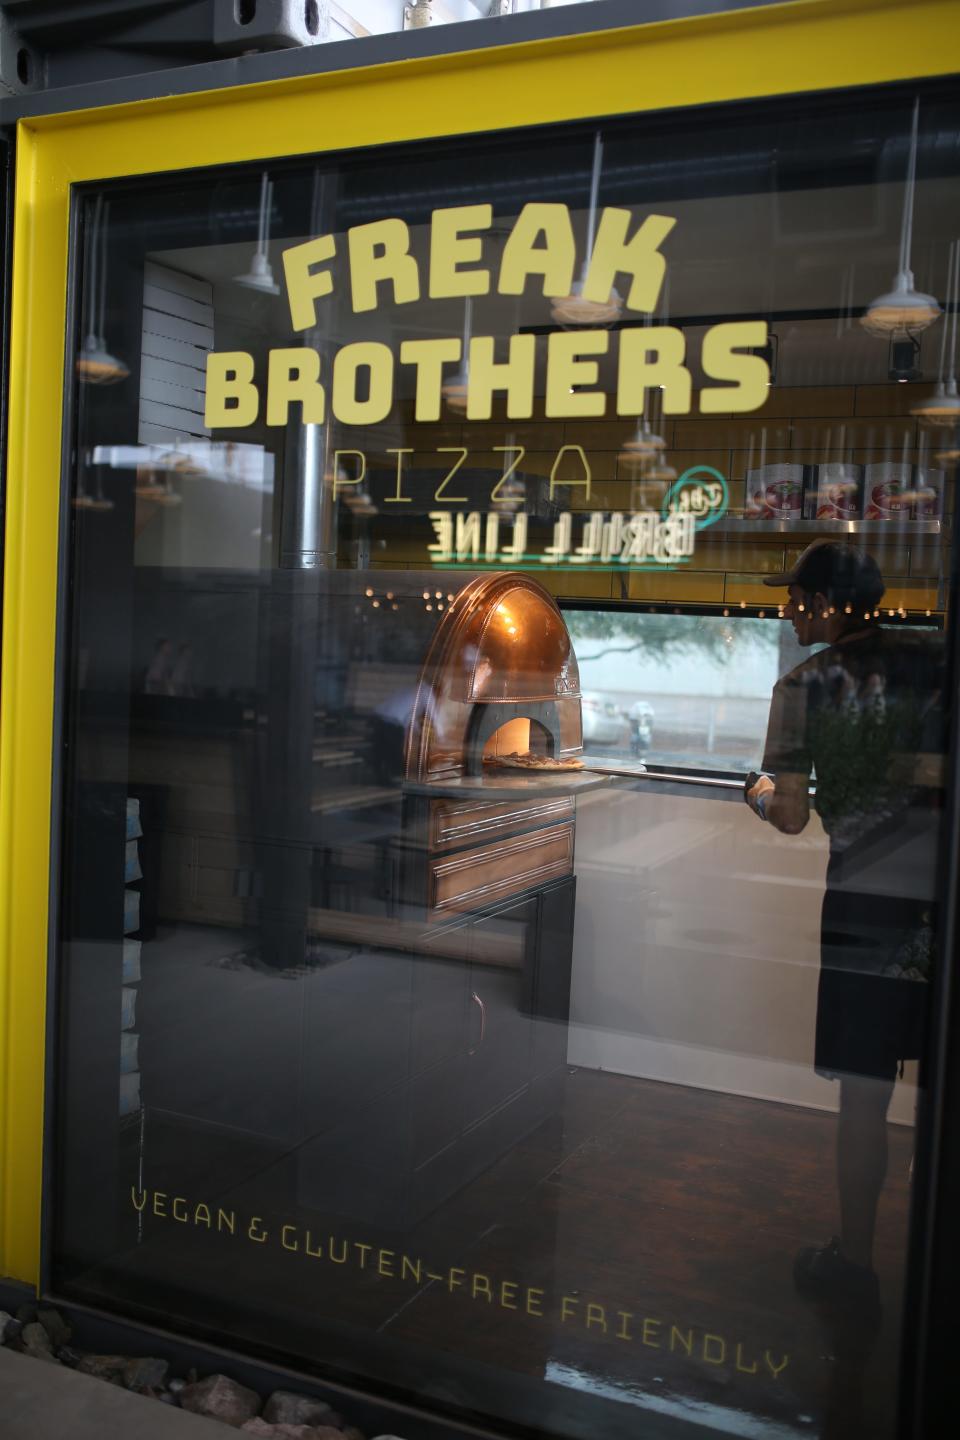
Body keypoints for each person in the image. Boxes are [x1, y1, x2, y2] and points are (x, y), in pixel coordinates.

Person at [746, 539, 944, 1311]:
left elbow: (790, 815)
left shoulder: (801, 686)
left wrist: (755, 792)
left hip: (867, 901)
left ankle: (856, 1260)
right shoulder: (939, 659)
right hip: (941, 894)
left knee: (865, 1092)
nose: (788, 610)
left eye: (796, 598)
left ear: (829, 604)